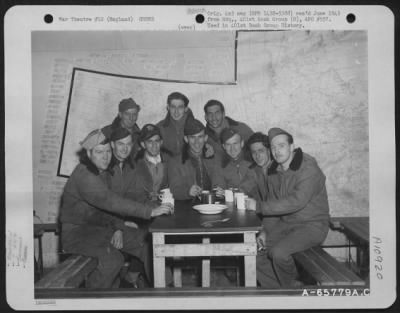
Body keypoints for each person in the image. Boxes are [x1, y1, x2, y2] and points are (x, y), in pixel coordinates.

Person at [60, 129, 173, 288]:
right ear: (89, 152)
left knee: (147, 244)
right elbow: (110, 202)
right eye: (99, 152)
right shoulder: (84, 175)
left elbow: (106, 209)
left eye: (107, 151)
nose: (105, 156)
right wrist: (149, 212)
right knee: (113, 260)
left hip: (100, 228)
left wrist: (118, 227)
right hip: (78, 234)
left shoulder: (102, 171)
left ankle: (166, 290)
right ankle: (92, 301)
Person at [247, 127, 330, 288]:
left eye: (281, 145)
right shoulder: (274, 171)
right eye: (273, 147)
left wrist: (258, 206)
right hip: (287, 224)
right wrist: (264, 231)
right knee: (254, 253)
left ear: (292, 147)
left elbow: (296, 201)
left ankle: (294, 290)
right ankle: (281, 291)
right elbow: (274, 209)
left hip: (312, 225)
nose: (277, 151)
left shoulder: (308, 169)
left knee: (278, 253)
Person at [168, 118, 219, 200]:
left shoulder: (213, 158)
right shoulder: (176, 162)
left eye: (200, 137)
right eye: (192, 137)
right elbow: (173, 190)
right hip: (186, 207)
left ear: (205, 138)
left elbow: (219, 182)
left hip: (211, 203)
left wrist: (220, 190)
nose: (196, 142)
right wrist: (187, 192)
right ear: (186, 139)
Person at [130, 124, 171, 204]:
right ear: (143, 144)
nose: (154, 145)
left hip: (165, 205)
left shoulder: (169, 161)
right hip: (143, 208)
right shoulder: (135, 165)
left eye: (157, 141)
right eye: (149, 142)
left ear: (161, 142)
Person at [213, 128, 258, 199]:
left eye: (235, 143)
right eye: (228, 144)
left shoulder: (253, 160)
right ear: (224, 146)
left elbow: (250, 185)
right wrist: (220, 193)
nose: (232, 148)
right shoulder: (220, 165)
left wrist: (229, 193)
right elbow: (218, 187)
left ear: (242, 143)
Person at [102, 97, 141, 163]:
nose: (131, 118)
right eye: (127, 114)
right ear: (120, 114)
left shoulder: (141, 135)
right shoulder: (106, 133)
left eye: (134, 114)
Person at [156, 92, 195, 157]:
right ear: (168, 107)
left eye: (180, 107)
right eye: (173, 107)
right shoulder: (159, 128)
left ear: (186, 108)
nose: (176, 112)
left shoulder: (195, 127)